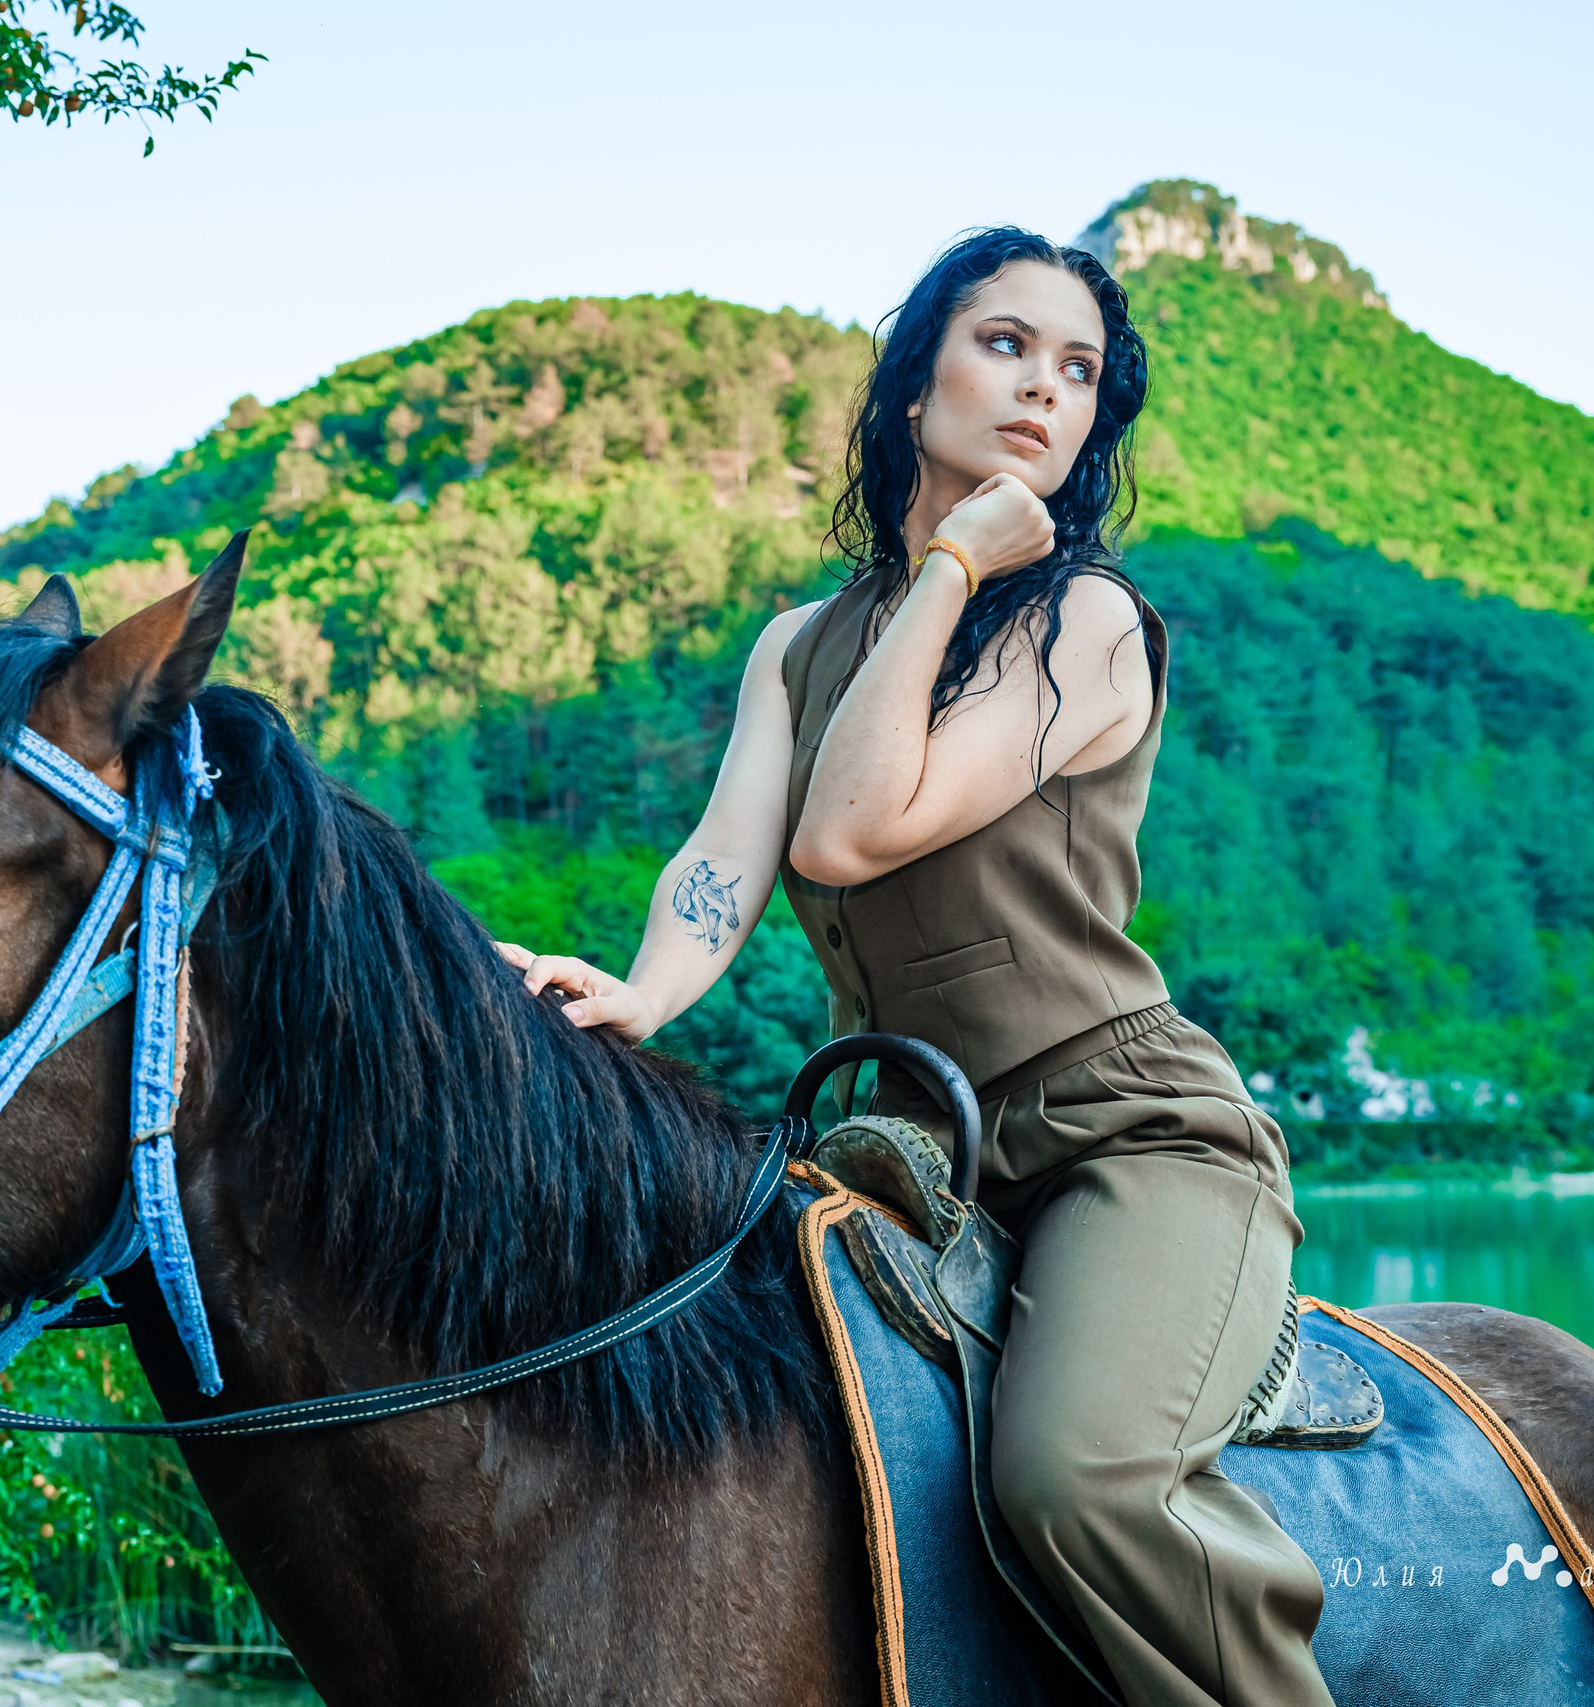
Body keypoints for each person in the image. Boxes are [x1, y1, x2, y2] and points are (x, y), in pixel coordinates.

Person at [497, 227, 1332, 1707]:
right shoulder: (797, 644)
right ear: (909, 390)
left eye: (1079, 374)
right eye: (1005, 345)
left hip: (1126, 1138)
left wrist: (955, 559)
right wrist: (642, 993)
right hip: (897, 1143)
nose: (1043, 393)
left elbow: (850, 827)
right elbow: (730, 857)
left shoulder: (1086, 620)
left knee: (1079, 1482)